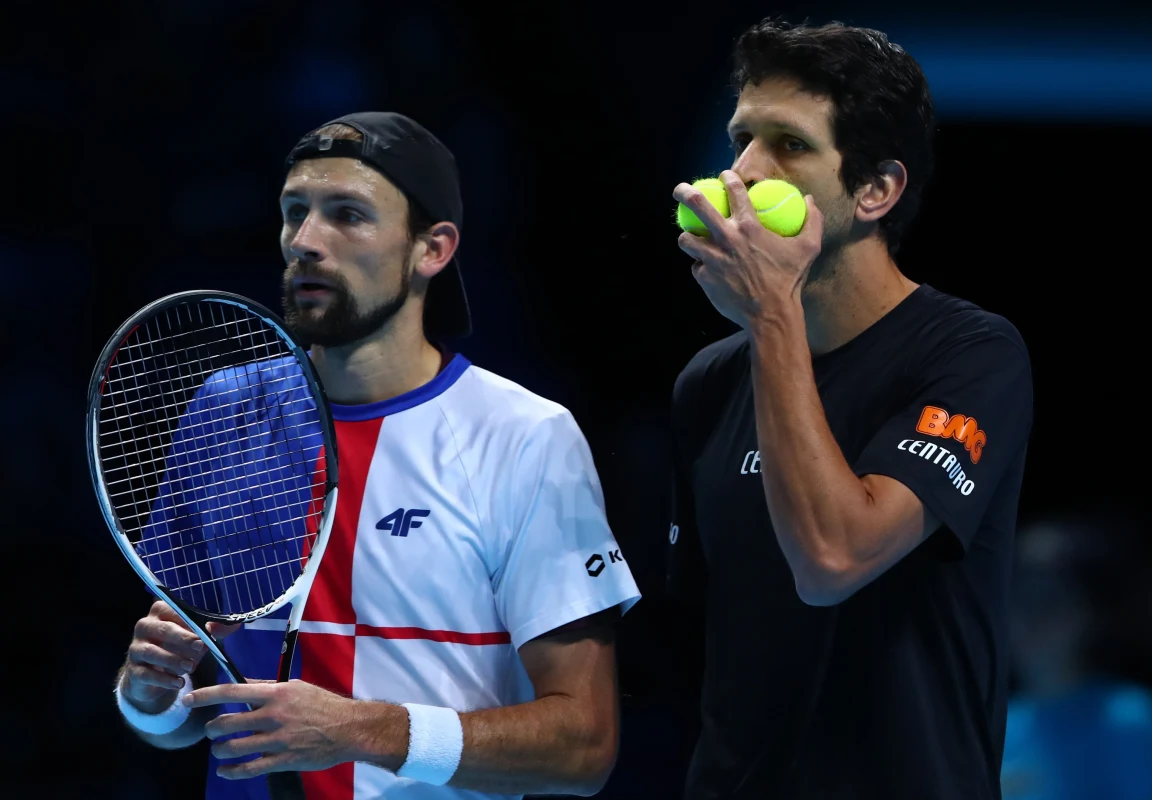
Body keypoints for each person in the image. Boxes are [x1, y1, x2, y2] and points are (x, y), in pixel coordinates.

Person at [111, 111, 641, 799]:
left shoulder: (525, 436)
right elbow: (183, 715)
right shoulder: (225, 409)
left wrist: (362, 731)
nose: (306, 241)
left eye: (348, 215)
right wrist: (146, 694)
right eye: (294, 212)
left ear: (433, 250)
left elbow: (584, 746)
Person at [666, 19, 1035, 799]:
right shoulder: (708, 382)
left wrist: (771, 315)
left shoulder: (971, 355)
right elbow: (701, 643)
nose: (743, 171)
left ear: (876, 190)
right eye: (742, 138)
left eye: (790, 146)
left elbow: (834, 560)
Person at [1001, 515, 1152, 800]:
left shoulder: (1133, 718)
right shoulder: (996, 727)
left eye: (1050, 600)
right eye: (1018, 599)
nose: (1031, 619)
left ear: (1090, 616)